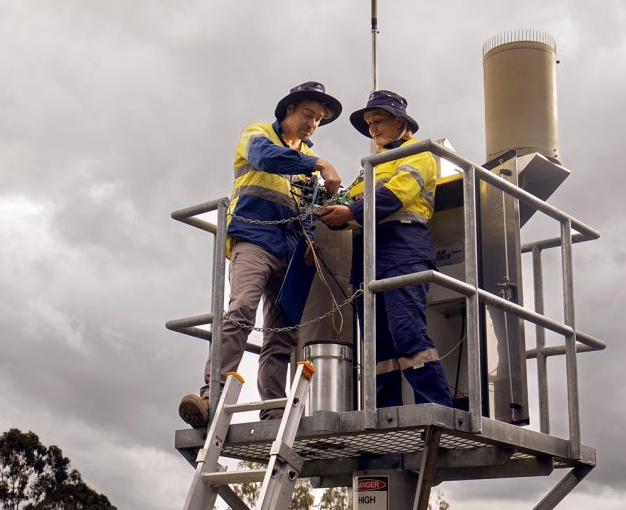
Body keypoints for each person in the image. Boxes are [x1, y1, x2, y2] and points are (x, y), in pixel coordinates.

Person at [179, 82, 343, 427]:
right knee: (241, 309)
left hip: (291, 250)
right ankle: (213, 396)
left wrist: (311, 240)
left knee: (283, 334)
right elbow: (263, 158)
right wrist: (319, 162)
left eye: (318, 119)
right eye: (307, 115)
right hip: (254, 239)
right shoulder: (258, 134)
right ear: (288, 111)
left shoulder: (305, 167)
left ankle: (274, 411)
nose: (312, 123)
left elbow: (305, 207)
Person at [317, 90, 452, 407]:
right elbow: (351, 203)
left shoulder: (418, 152)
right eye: (369, 124)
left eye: (378, 121)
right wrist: (332, 212)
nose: (373, 129)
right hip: (368, 258)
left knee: (407, 332)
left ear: (399, 121)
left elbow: (396, 194)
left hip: (403, 249)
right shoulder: (372, 167)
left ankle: (438, 411)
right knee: (377, 348)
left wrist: (351, 212)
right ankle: (384, 418)